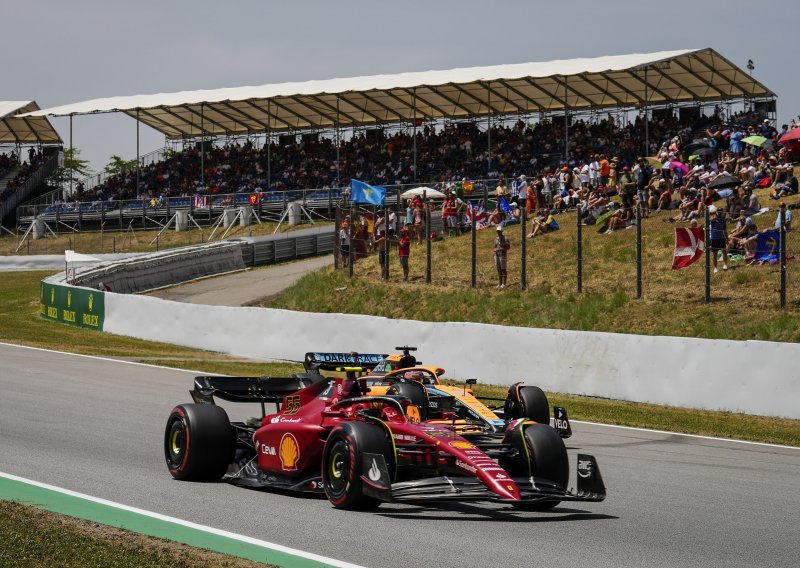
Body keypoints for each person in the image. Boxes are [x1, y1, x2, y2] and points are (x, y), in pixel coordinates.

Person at [708, 205, 729, 273]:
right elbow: (711, 219)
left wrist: (727, 238)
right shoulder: (713, 219)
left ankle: (725, 264)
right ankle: (715, 268)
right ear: (717, 212)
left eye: (721, 211)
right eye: (718, 211)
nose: (720, 213)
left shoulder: (723, 220)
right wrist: (715, 214)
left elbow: (725, 230)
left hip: (721, 238)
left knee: (724, 251)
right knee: (715, 254)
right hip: (714, 238)